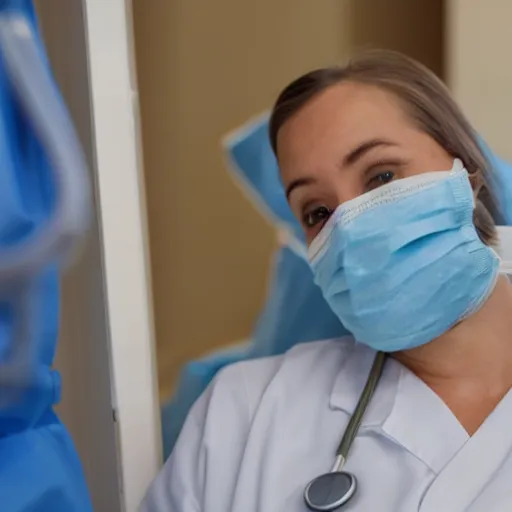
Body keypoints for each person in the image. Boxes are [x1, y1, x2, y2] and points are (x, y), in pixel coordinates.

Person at [142, 50, 512, 511]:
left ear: (468, 173)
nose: (351, 225)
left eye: (381, 176)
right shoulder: (245, 414)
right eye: (318, 212)